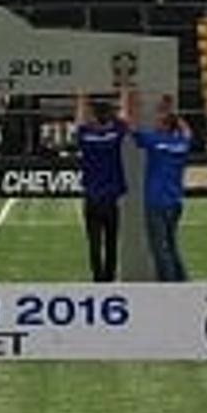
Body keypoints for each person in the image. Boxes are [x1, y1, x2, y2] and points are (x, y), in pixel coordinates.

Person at [130, 93, 193, 282]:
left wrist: (133, 106)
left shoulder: (155, 141)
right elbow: (187, 131)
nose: (155, 123)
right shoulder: (181, 144)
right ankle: (182, 281)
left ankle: (168, 285)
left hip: (156, 201)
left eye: (159, 121)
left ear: (165, 127)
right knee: (172, 245)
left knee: (159, 248)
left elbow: (132, 129)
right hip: (174, 201)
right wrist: (170, 112)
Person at [74, 93, 129, 283]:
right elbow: (124, 118)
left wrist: (81, 99)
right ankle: (109, 277)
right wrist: (125, 92)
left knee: (94, 243)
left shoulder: (86, 136)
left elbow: (79, 123)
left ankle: (98, 278)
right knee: (112, 242)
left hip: (92, 197)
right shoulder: (114, 135)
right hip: (110, 199)